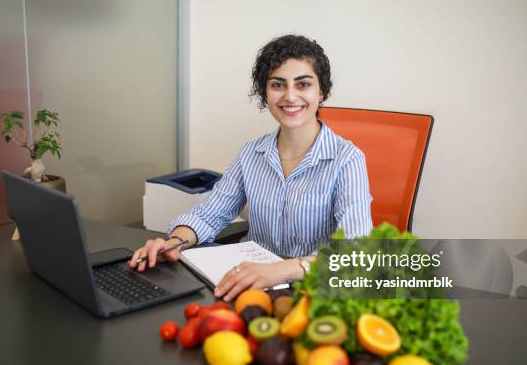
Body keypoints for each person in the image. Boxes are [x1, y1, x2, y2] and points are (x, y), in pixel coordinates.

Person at [129, 35, 372, 301]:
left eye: (303, 84)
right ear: (265, 94)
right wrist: (173, 242)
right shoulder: (251, 154)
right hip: (250, 286)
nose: (290, 96)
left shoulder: (347, 159)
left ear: (321, 91)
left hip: (313, 292)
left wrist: (283, 270)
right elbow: (210, 214)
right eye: (278, 84)